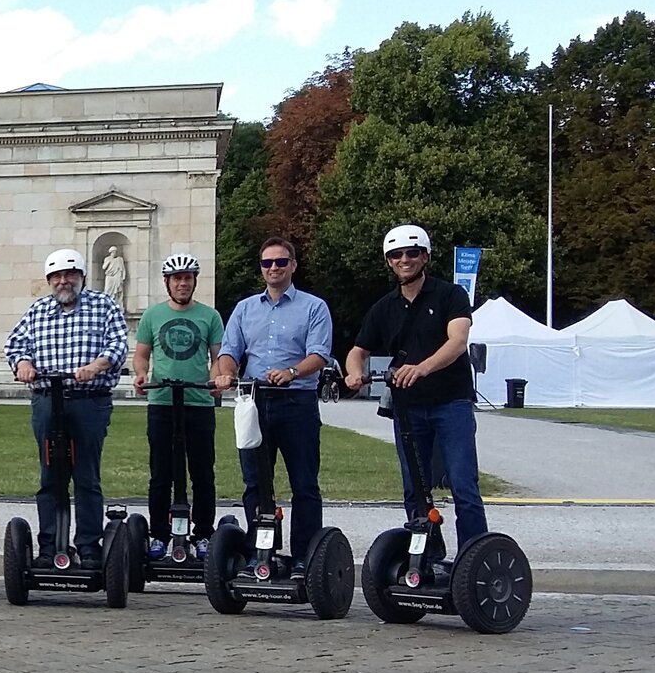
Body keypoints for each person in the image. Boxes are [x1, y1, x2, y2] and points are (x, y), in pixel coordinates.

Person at [344, 224, 485, 549]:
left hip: (451, 402)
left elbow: (458, 340)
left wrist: (422, 368)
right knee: (415, 486)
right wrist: (353, 373)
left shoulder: (450, 295)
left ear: (425, 257)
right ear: (389, 261)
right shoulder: (385, 307)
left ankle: (473, 556)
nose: (404, 259)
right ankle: (428, 554)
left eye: (412, 253)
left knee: (463, 483)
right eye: (396, 255)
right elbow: (357, 351)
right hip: (409, 409)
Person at [212, 237, 333, 562]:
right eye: (268, 263)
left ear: (293, 265)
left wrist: (292, 372)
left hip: (296, 403)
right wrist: (226, 373)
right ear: (261, 268)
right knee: (255, 483)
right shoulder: (245, 308)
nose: (274, 268)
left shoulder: (313, 307)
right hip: (254, 402)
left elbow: (320, 354)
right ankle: (260, 552)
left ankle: (305, 559)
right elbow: (229, 351)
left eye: (281, 262)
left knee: (304, 484)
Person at [5, 249, 128, 565]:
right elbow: (15, 345)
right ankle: (50, 548)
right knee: (50, 477)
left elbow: (117, 345)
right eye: (57, 277)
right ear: (49, 281)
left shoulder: (103, 305)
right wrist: (23, 364)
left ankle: (88, 548)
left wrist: (95, 366)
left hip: (89, 402)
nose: (63, 281)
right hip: (47, 401)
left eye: (69, 275)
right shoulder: (39, 310)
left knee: (86, 476)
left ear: (81, 277)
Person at [131, 252, 223, 559]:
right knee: (161, 473)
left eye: (187, 278)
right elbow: (142, 354)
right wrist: (142, 374)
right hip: (162, 401)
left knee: (202, 472)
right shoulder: (152, 316)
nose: (182, 283)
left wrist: (214, 380)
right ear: (167, 283)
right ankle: (158, 533)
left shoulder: (209, 316)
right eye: (177, 279)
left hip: (198, 402)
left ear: (194, 281)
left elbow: (218, 356)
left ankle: (203, 534)